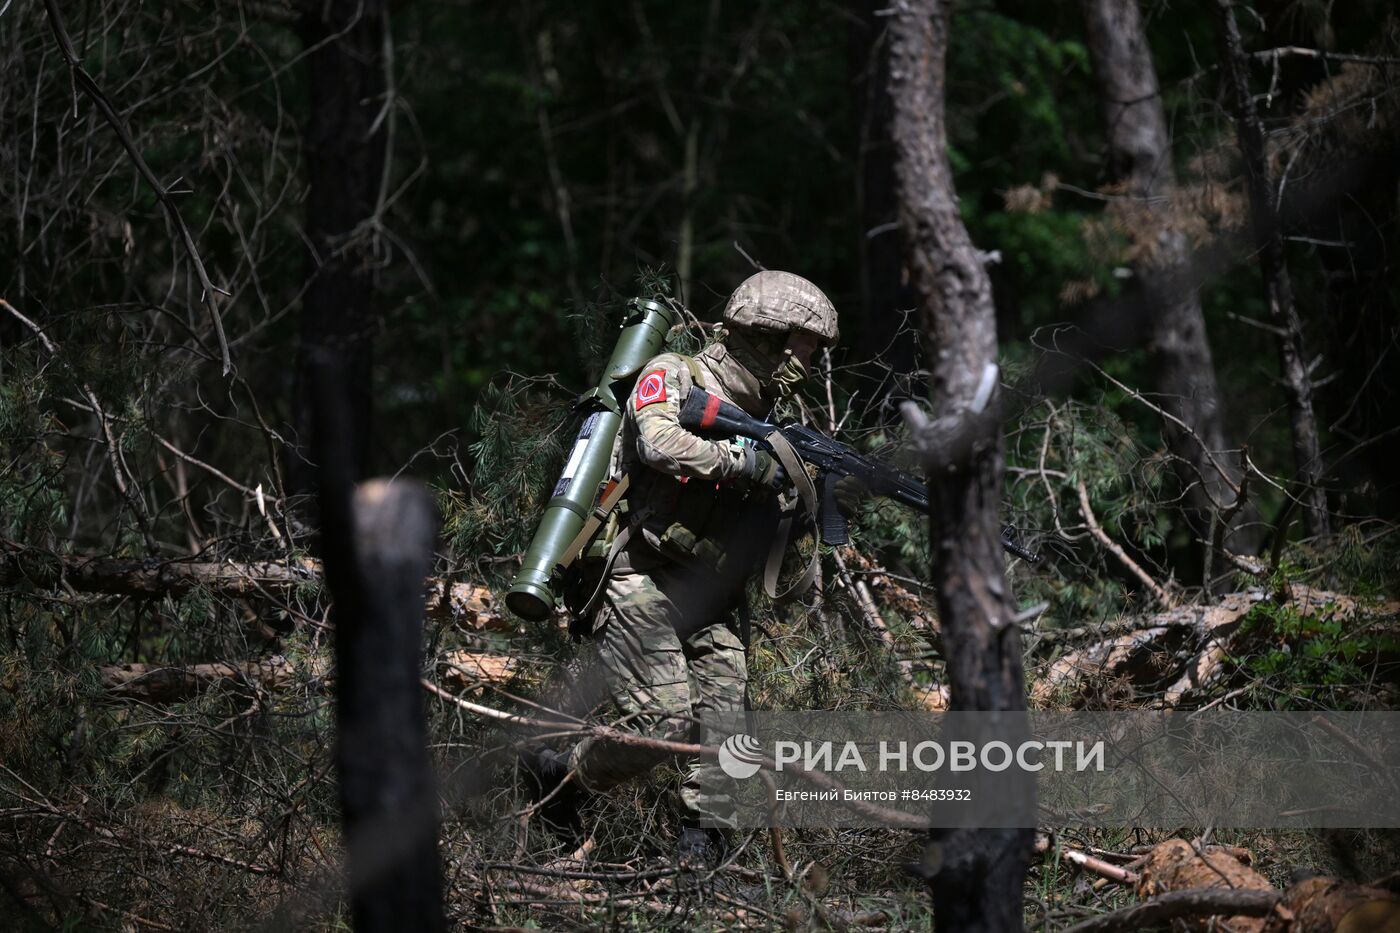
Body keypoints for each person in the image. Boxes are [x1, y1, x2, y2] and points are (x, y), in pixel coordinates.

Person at [523, 270, 858, 868]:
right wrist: (751, 465)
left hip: (710, 591)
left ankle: (701, 852)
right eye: (806, 343)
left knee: (726, 728)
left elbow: (775, 525)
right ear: (769, 335)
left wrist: (815, 492)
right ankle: (559, 781)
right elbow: (657, 444)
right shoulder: (677, 374)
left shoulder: (777, 415)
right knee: (664, 717)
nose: (811, 357)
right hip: (637, 572)